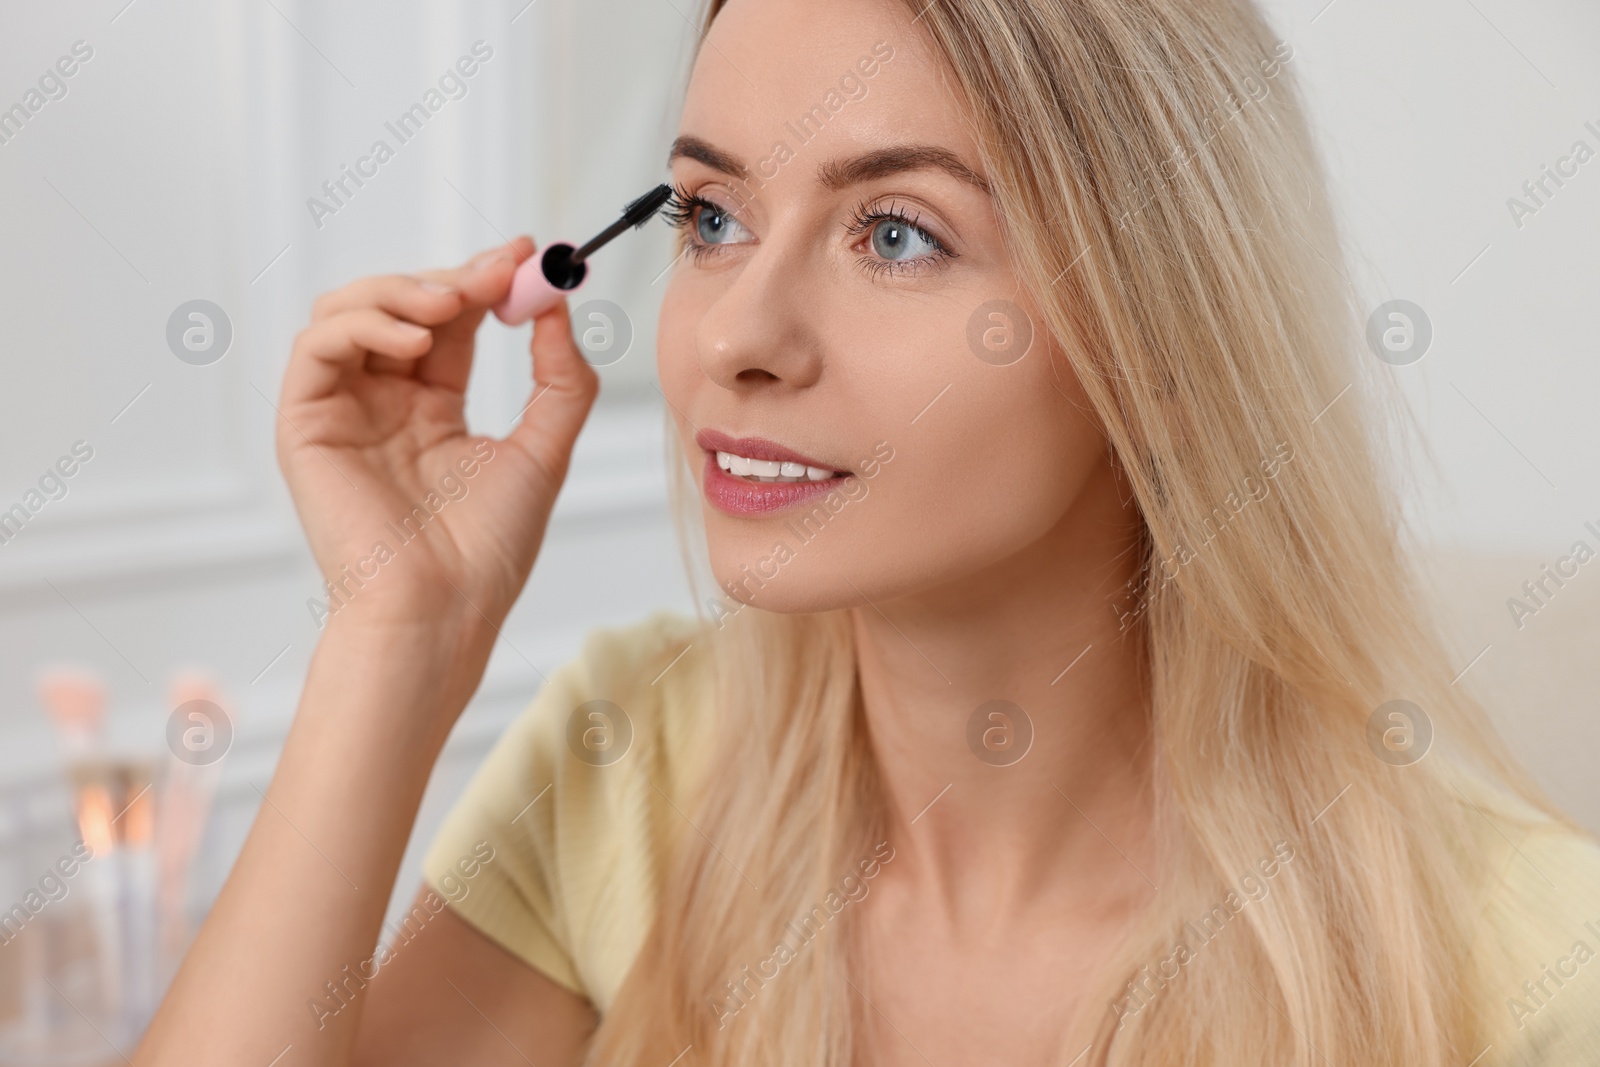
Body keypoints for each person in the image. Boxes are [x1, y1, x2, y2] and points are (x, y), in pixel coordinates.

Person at [136, 0, 1600, 1063]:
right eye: (712, 218)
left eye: (896, 233)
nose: (735, 340)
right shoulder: (633, 758)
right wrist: (399, 634)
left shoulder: (1526, 961)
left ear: (1166, 347)